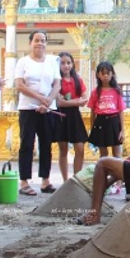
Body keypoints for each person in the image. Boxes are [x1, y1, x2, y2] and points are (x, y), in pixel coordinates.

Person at [14, 30, 61, 196]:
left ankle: (45, 181)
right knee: (26, 144)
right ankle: (25, 181)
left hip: (48, 109)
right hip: (28, 108)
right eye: (37, 40)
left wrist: (47, 100)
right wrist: (39, 98)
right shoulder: (23, 62)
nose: (40, 43)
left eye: (43, 41)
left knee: (46, 144)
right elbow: (19, 85)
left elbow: (57, 85)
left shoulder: (52, 61)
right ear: (30, 43)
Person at [54, 52, 89, 181]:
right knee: (63, 150)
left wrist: (72, 102)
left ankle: (76, 179)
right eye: (62, 63)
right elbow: (59, 102)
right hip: (61, 116)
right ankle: (65, 180)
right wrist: (76, 102)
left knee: (80, 149)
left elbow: (85, 99)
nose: (66, 66)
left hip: (75, 117)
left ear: (73, 64)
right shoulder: (56, 81)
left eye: (68, 62)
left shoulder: (78, 80)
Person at [87, 61, 125, 159]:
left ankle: (117, 174)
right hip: (100, 123)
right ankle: (103, 173)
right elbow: (92, 113)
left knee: (117, 154)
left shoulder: (117, 90)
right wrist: (92, 129)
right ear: (98, 75)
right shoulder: (95, 92)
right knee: (103, 155)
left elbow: (121, 111)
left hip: (114, 122)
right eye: (103, 73)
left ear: (112, 74)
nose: (105, 76)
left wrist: (122, 131)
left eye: (108, 73)